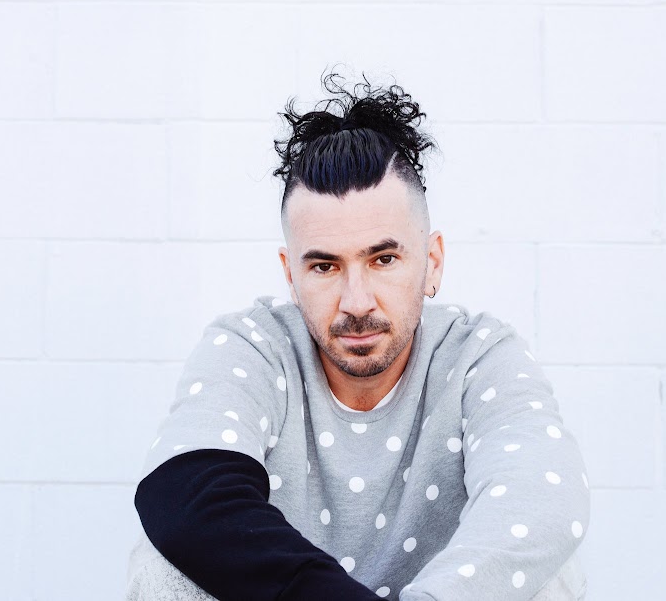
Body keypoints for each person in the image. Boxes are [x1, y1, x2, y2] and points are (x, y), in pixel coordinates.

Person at [127, 74, 590, 600]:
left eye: (383, 259)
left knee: (550, 573)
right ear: (291, 276)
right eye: (325, 267)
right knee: (163, 566)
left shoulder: (479, 356)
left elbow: (544, 496)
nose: (357, 301)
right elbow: (185, 492)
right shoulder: (253, 346)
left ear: (432, 262)